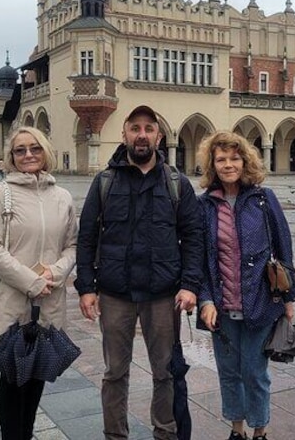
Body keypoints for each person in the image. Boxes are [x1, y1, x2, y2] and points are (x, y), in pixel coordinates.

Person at [75, 105, 203, 440]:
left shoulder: (177, 184)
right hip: (116, 292)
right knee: (115, 372)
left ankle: (165, 433)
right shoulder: (105, 182)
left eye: (149, 128)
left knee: (165, 372)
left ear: (159, 136)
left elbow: (193, 237)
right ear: (125, 134)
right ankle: (115, 435)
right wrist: (86, 287)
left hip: (163, 294)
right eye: (135, 128)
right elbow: (87, 236)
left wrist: (190, 285)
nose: (142, 135)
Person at [195, 131, 295, 440]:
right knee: (229, 373)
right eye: (221, 159)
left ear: (245, 160)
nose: (229, 164)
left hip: (261, 302)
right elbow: (199, 259)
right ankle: (237, 431)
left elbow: (284, 248)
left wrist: (290, 298)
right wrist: (205, 300)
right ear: (212, 165)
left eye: (234, 158)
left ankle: (260, 431)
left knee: (255, 373)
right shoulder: (205, 206)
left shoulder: (264, 200)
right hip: (221, 307)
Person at [0, 126, 78, 439]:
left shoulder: (62, 197)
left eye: (34, 148)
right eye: (20, 150)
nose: (28, 155)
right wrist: (32, 281)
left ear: (45, 150)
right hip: (13, 301)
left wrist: (55, 273)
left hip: (49, 301)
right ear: (11, 157)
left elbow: (72, 245)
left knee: (36, 374)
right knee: (11, 377)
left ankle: (27, 433)